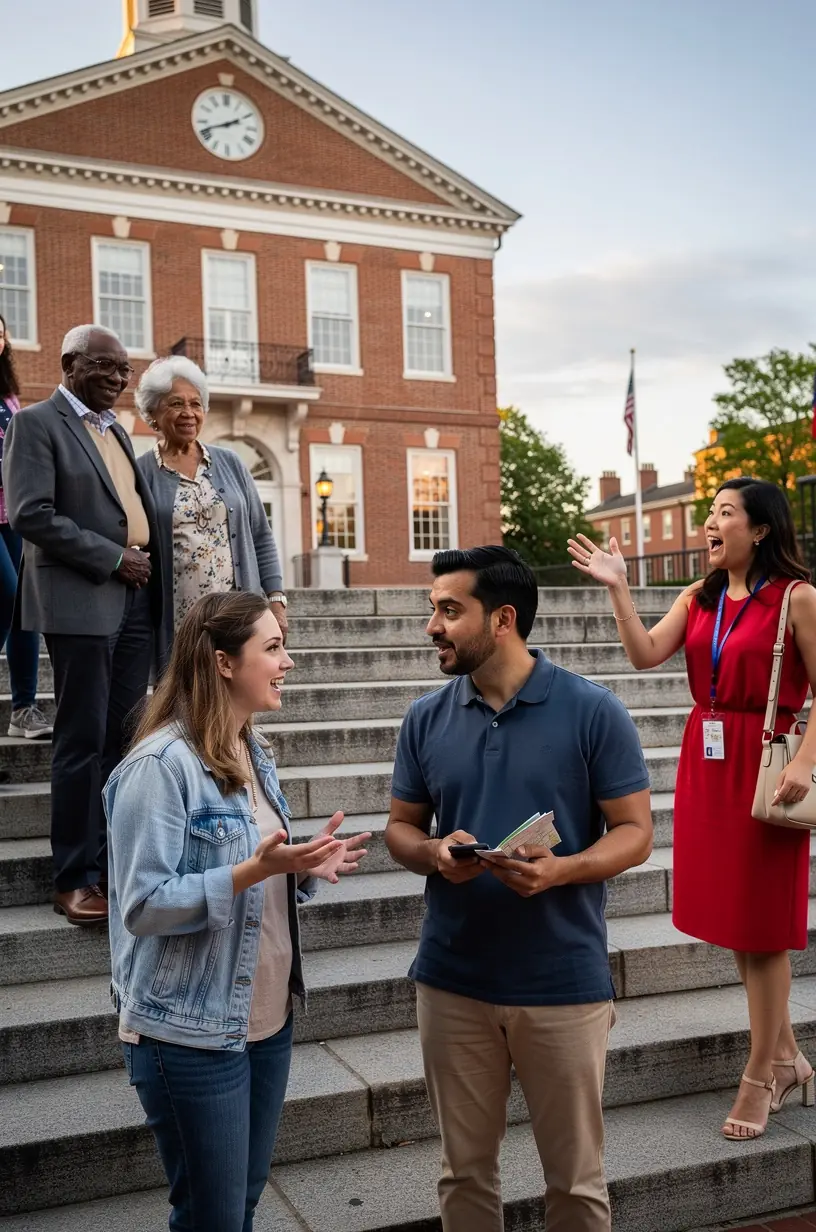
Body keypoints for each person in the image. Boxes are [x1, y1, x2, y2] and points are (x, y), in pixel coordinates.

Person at [385, 545, 653, 1232]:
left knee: (576, 1186)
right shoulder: (425, 718)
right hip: (451, 979)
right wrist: (435, 852)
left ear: (502, 619)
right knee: (465, 1176)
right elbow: (399, 831)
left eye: (449, 610)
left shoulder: (594, 711)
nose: (432, 626)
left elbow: (635, 833)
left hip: (562, 982)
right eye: (432, 609)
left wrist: (561, 870)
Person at [104, 590, 369, 1232]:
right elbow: (143, 906)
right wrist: (257, 869)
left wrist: (302, 872)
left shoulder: (253, 750)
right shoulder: (159, 767)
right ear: (224, 662)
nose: (288, 662)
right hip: (190, 1032)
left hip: (267, 1019)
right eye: (273, 647)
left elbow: (258, 876)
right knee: (212, 1217)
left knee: (238, 1205)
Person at [568, 477, 816, 1141]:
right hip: (706, 765)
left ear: (759, 529)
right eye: (709, 513)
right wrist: (620, 589)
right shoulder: (697, 597)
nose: (711, 523)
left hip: (765, 767)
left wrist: (803, 762)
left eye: (724, 513)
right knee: (741, 925)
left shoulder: (798, 599)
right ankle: (789, 1056)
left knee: (762, 928)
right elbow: (644, 654)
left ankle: (762, 1074)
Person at [4, 324, 162, 924]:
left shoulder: (115, 429)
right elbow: (29, 513)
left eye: (124, 370)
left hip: (134, 606)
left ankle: (113, 866)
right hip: (80, 602)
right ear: (70, 363)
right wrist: (113, 556)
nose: (119, 379)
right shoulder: (37, 424)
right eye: (106, 367)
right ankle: (74, 877)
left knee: (122, 743)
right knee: (80, 741)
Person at [135, 356, 287, 669]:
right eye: (175, 403)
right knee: (184, 701)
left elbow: (261, 535)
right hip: (179, 622)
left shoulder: (230, 462)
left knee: (239, 693)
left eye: (196, 403)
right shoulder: (141, 473)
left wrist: (276, 599)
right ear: (152, 413)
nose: (188, 413)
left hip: (238, 614)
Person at [0, 312, 51, 742]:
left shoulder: (10, 398)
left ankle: (24, 708)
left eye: (0, 332)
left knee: (25, 607)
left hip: (13, 513)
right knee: (9, 590)